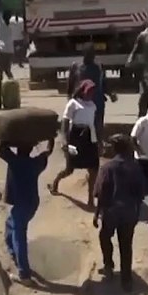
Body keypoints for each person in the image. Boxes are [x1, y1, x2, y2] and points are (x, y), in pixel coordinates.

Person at [95, 134, 146, 291]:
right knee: (126, 245)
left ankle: (108, 266)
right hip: (129, 212)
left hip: (111, 212)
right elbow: (141, 193)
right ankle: (126, 280)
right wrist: (136, 212)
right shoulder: (135, 167)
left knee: (104, 237)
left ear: (115, 148)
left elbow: (101, 192)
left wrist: (97, 213)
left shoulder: (107, 168)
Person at [0, 138, 52, 281]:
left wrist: (7, 140)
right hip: (31, 203)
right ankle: (14, 253)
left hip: (21, 205)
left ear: (17, 149)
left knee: (19, 236)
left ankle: (24, 275)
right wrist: (51, 138)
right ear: (31, 149)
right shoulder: (36, 163)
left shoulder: (14, 161)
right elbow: (48, 151)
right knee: (10, 224)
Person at [50, 80, 101, 208]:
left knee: (93, 169)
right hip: (76, 138)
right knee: (69, 169)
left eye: (92, 92)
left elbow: (95, 124)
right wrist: (64, 140)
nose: (90, 94)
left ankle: (90, 200)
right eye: (88, 91)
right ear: (82, 91)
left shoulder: (93, 105)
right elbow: (65, 122)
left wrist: (99, 141)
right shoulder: (73, 103)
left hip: (90, 138)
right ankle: (55, 182)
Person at [69, 51, 116, 144]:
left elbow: (103, 83)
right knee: (92, 123)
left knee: (94, 123)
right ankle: (95, 142)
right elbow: (71, 83)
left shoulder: (95, 67)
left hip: (93, 100)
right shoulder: (81, 67)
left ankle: (97, 143)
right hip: (89, 100)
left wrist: (110, 94)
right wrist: (110, 94)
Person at [0, 7, 17, 80]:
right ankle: (13, 83)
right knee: (7, 70)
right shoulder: (13, 25)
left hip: (1, 49)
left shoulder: (0, 24)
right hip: (10, 50)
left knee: (0, 71)